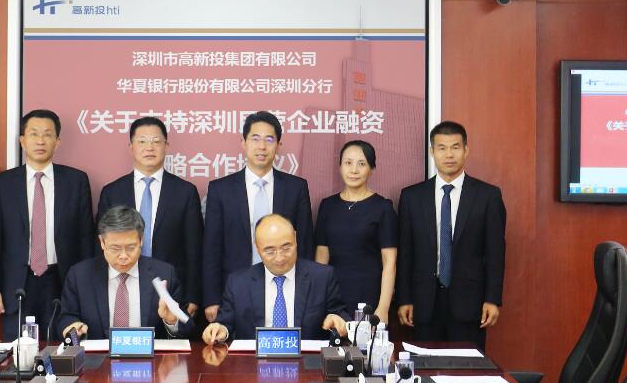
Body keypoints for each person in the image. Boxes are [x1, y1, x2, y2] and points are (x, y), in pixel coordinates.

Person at [0, 109, 95, 339]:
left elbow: (85, 238)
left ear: (58, 141)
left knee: (62, 350)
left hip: (61, 280)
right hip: (17, 283)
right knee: (18, 352)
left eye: (47, 134)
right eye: (34, 134)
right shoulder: (2, 183)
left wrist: (85, 287)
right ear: (22, 141)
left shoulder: (76, 181)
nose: (41, 140)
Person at [395, 121, 506, 349]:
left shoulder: (487, 196)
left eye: (455, 147)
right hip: (423, 302)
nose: (449, 154)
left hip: (470, 302)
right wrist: (404, 298)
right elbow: (405, 253)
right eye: (442, 148)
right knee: (424, 364)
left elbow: (496, 253)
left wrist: (492, 299)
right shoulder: (412, 197)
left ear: (466, 150)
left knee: (466, 365)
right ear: (432, 151)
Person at [202, 111, 313, 325]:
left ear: (279, 146)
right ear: (243, 143)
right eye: (255, 138)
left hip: (284, 286)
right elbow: (211, 249)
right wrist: (212, 298)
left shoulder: (296, 188)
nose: (262, 146)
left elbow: (305, 243)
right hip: (235, 289)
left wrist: (305, 291)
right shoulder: (220, 190)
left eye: (269, 139)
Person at [97, 116, 204, 317]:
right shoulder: (112, 192)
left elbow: (194, 248)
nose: (149, 147)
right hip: (122, 283)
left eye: (156, 141)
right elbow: (102, 245)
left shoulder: (185, 192)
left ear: (166, 146)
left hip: (171, 286)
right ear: (131, 147)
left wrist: (193, 294)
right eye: (142, 141)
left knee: (168, 335)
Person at [203, 214, 347, 343]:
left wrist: (338, 321)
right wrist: (220, 330)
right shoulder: (238, 283)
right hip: (253, 361)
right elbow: (225, 323)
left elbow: (341, 316)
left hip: (307, 360)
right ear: (258, 248)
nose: (280, 258)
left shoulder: (322, 277)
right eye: (270, 251)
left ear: (295, 239)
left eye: (286, 247)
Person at [57, 205, 190, 340]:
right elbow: (66, 318)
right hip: (99, 353)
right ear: (102, 242)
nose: (123, 256)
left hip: (149, 353)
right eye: (115, 248)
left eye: (131, 247)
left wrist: (172, 321)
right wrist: (73, 330)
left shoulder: (165, 273)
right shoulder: (80, 276)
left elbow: (188, 328)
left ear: (141, 240)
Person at [314, 140, 398, 323]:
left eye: (361, 164)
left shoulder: (383, 208)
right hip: (333, 294)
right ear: (340, 166)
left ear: (372, 169)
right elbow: (321, 257)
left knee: (365, 341)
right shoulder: (327, 206)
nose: (354, 170)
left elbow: (389, 262)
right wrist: (318, 301)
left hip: (369, 295)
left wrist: (383, 308)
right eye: (348, 163)